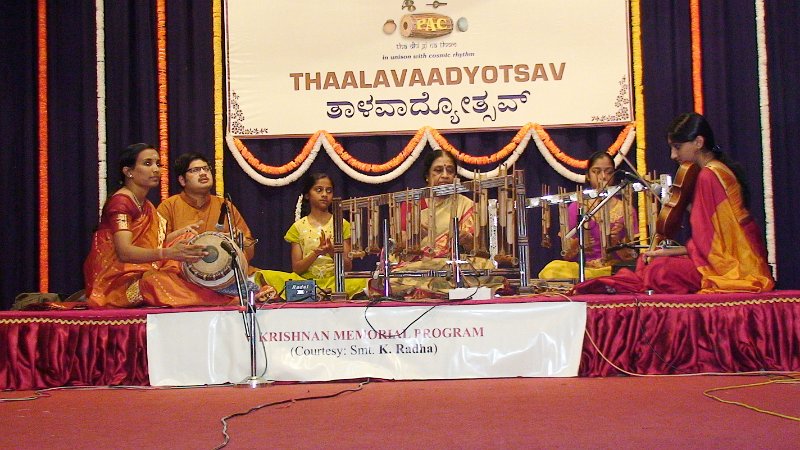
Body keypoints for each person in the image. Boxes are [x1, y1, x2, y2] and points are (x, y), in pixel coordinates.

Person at [575, 113, 774, 294]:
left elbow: (714, 244)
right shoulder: (714, 170)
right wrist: (671, 252)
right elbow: (714, 240)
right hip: (730, 256)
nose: (673, 155)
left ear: (698, 142)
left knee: (658, 271)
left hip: (735, 264)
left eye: (677, 147)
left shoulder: (708, 175)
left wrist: (674, 253)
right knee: (651, 264)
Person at [83, 143, 238, 308]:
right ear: (128, 171)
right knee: (155, 282)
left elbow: (153, 243)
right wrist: (170, 252)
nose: (156, 169)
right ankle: (225, 299)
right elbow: (125, 253)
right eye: (147, 163)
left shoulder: (146, 204)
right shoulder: (121, 203)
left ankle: (224, 291)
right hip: (119, 282)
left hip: (142, 270)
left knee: (188, 240)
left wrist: (180, 235)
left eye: (158, 164)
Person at [386, 149, 502, 298]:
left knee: (485, 267)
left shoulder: (466, 205)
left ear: (455, 176)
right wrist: (413, 236)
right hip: (421, 265)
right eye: (438, 170)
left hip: (454, 266)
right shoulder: (413, 204)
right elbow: (396, 249)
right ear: (427, 176)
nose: (445, 175)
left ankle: (433, 289)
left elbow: (480, 251)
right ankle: (438, 289)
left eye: (450, 171)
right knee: (398, 277)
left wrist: (467, 241)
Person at [253, 173, 368, 299]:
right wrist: (316, 253)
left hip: (335, 283)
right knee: (268, 275)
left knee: (364, 281)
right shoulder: (297, 227)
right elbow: (297, 269)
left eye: (329, 191)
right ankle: (317, 294)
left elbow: (347, 267)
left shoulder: (342, 224)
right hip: (306, 284)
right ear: (307, 195)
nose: (324, 194)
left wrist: (331, 251)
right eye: (319, 190)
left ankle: (323, 294)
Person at [538, 150, 638, 280]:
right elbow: (566, 255)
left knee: (634, 271)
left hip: (613, 270)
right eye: (596, 171)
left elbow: (632, 256)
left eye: (608, 172)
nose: (603, 177)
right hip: (584, 270)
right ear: (588, 176)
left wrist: (616, 244)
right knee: (551, 269)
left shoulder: (626, 209)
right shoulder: (577, 207)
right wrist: (580, 243)